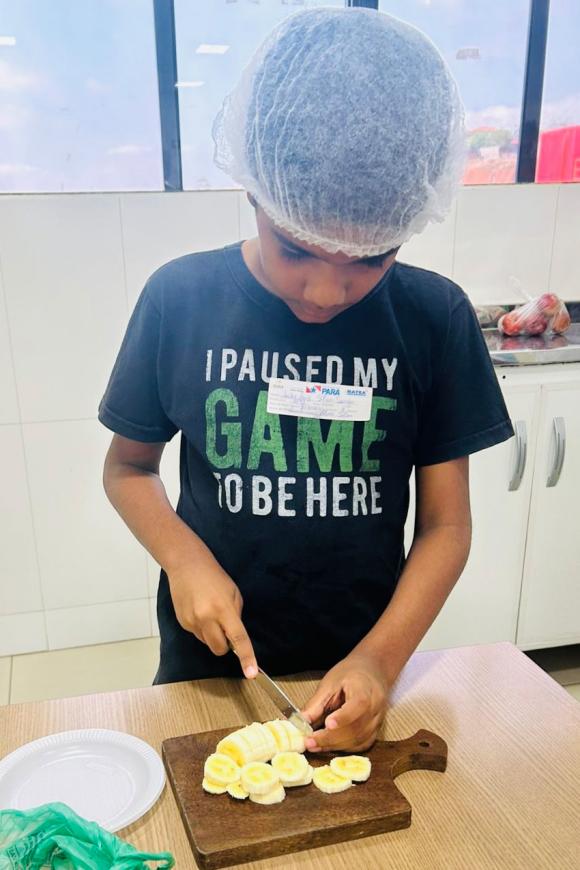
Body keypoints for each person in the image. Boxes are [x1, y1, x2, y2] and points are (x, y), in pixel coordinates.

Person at [99, 8, 513, 754]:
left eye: (370, 259)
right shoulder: (180, 300)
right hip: (210, 671)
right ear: (256, 191)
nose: (325, 292)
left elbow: (446, 526)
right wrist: (184, 560)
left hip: (358, 673)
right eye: (296, 249)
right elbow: (127, 469)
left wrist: (379, 660)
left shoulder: (434, 319)